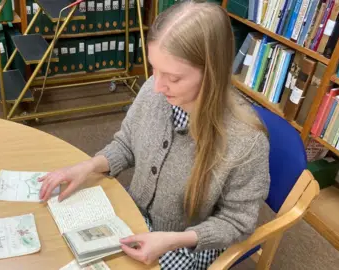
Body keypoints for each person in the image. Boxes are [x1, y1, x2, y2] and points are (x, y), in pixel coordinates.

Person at [38, 1, 270, 269]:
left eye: (172, 77)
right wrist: (88, 166)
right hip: (135, 216)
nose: (157, 86)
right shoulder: (154, 90)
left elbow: (237, 222)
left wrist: (174, 240)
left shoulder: (247, 141)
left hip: (186, 245)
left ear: (212, 74)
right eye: (154, 68)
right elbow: (127, 144)